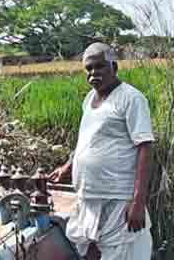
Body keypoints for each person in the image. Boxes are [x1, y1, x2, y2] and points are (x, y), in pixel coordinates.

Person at [47, 42, 155, 260]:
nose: (93, 73)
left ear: (114, 67)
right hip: (89, 195)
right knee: (91, 252)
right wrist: (67, 167)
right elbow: (87, 140)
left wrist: (138, 202)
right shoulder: (89, 99)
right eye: (89, 69)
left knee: (123, 252)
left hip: (118, 197)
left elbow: (145, 147)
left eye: (100, 67)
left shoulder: (131, 99)